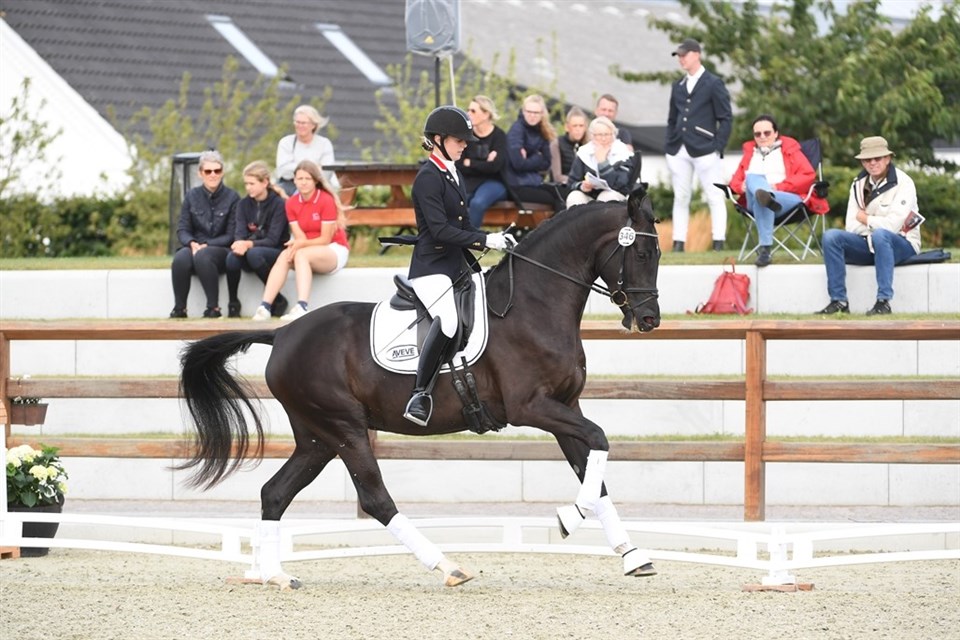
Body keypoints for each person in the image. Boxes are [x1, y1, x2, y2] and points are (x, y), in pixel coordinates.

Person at [402, 106, 516, 427]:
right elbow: (440, 230)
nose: (465, 145)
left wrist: (492, 240)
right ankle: (420, 394)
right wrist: (485, 240)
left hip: (455, 264)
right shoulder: (428, 178)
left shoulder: (452, 172)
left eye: (465, 140)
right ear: (438, 140)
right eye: (458, 140)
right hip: (431, 267)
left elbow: (463, 224)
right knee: (449, 322)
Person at [815, 136, 920, 316]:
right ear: (862, 162)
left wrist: (866, 218)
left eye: (877, 158)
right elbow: (851, 225)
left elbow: (892, 227)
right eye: (867, 159)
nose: (872, 163)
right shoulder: (857, 184)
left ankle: (883, 302)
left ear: (887, 159)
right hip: (869, 243)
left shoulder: (904, 182)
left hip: (903, 244)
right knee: (831, 237)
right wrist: (873, 224)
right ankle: (839, 301)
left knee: (881, 236)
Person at [251, 160, 349, 322]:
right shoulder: (291, 203)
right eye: (299, 178)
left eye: (307, 179)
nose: (303, 182)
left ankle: (302, 306)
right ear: (294, 181)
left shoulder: (325, 200)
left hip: (333, 248)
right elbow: (300, 237)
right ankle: (265, 307)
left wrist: (299, 245)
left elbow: (325, 239)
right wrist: (297, 244)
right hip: (308, 248)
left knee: (300, 254)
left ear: (315, 181)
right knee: (284, 255)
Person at [728, 115, 828, 267]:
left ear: (776, 133)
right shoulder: (750, 154)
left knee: (762, 197)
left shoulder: (790, 151)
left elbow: (807, 175)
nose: (762, 137)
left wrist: (778, 187)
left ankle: (765, 251)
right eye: (757, 134)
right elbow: (734, 182)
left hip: (786, 199)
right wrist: (740, 186)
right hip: (753, 200)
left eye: (767, 133)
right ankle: (764, 194)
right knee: (753, 179)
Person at [664, 38, 732, 252]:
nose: (681, 59)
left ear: (697, 54)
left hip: (705, 148)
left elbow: (725, 118)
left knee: (714, 196)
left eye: (684, 55)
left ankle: (718, 241)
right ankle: (678, 242)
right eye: (679, 56)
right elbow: (672, 119)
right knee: (681, 196)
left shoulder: (713, 83)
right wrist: (669, 143)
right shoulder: (678, 85)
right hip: (679, 148)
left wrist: (718, 146)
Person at [169, 150, 239, 319]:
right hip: (195, 246)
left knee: (204, 255)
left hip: (221, 250)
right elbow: (183, 229)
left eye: (217, 170)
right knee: (180, 258)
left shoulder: (233, 197)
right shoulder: (191, 196)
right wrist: (192, 243)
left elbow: (231, 234)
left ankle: (213, 308)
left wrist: (207, 245)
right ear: (200, 173)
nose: (213, 175)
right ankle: (179, 309)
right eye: (208, 171)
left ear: (222, 172)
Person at [224, 161, 291, 318]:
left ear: (265, 182)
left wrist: (248, 243)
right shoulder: (243, 204)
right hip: (251, 250)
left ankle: (278, 299)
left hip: (275, 251)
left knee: (254, 254)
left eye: (252, 183)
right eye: (246, 184)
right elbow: (239, 233)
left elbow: (273, 239)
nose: (248, 188)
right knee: (232, 258)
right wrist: (240, 244)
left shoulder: (279, 204)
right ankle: (233, 304)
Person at [503, 94, 565, 212]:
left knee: (562, 194)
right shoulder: (517, 130)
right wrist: (537, 157)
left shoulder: (542, 130)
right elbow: (518, 163)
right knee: (553, 199)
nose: (532, 116)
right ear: (523, 111)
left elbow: (547, 163)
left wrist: (529, 158)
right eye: (529, 112)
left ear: (542, 114)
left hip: (533, 181)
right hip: (516, 184)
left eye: (536, 113)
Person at [456, 95, 509, 228]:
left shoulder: (499, 136)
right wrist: (485, 163)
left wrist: (470, 162)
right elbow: (459, 164)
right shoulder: (465, 135)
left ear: (486, 114)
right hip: (469, 182)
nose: (468, 114)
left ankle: (471, 238)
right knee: (455, 201)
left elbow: (495, 167)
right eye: (468, 110)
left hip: (494, 183)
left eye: (473, 111)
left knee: (477, 203)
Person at [564, 116, 636, 207]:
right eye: (599, 135)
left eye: (607, 134)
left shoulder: (622, 153)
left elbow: (620, 184)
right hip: (590, 195)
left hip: (614, 195)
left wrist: (602, 162)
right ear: (592, 136)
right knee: (574, 197)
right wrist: (582, 186)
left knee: (605, 197)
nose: (603, 138)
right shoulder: (584, 152)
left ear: (613, 135)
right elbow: (571, 182)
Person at [275, 104, 339, 196]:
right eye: (297, 122)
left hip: (318, 186)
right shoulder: (286, 142)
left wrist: (296, 168)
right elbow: (283, 170)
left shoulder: (324, 143)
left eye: (304, 123)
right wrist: (313, 168)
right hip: (289, 187)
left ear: (313, 125)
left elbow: (327, 172)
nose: (300, 126)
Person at [550, 105, 589, 186]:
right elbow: (557, 176)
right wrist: (578, 183)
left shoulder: (588, 146)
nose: (578, 129)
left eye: (581, 126)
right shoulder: (557, 144)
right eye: (575, 126)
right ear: (567, 127)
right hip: (562, 187)